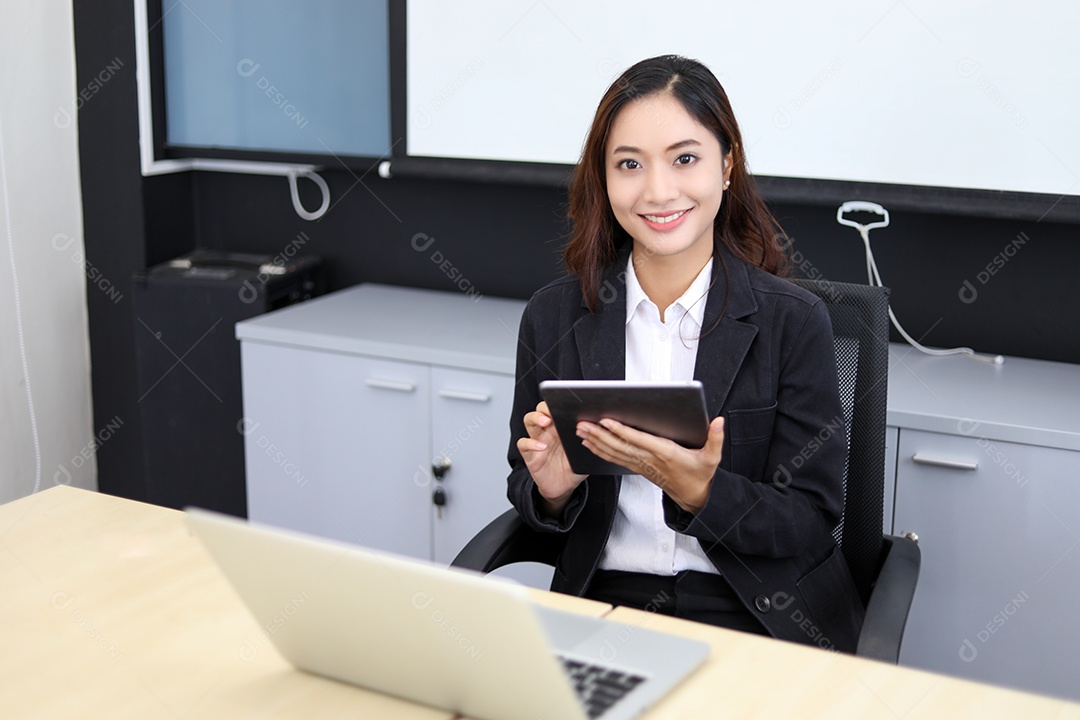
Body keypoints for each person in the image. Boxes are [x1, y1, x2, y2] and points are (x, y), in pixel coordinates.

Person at [506, 55, 864, 652]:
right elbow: (526, 484)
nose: (658, 190)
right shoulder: (554, 316)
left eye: (685, 158)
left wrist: (700, 491)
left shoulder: (793, 322)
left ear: (727, 167)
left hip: (756, 613)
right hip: (605, 604)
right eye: (629, 165)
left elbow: (810, 519)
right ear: (604, 177)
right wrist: (552, 489)